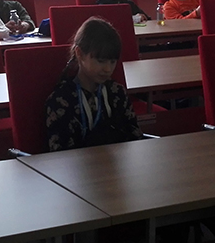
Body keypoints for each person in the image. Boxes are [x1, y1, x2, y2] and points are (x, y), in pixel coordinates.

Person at [45, 17, 143, 151]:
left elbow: (135, 138)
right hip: (79, 163)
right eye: (101, 61)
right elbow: (61, 154)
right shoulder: (62, 101)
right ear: (79, 54)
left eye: (112, 62)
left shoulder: (117, 93)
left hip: (118, 162)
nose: (108, 69)